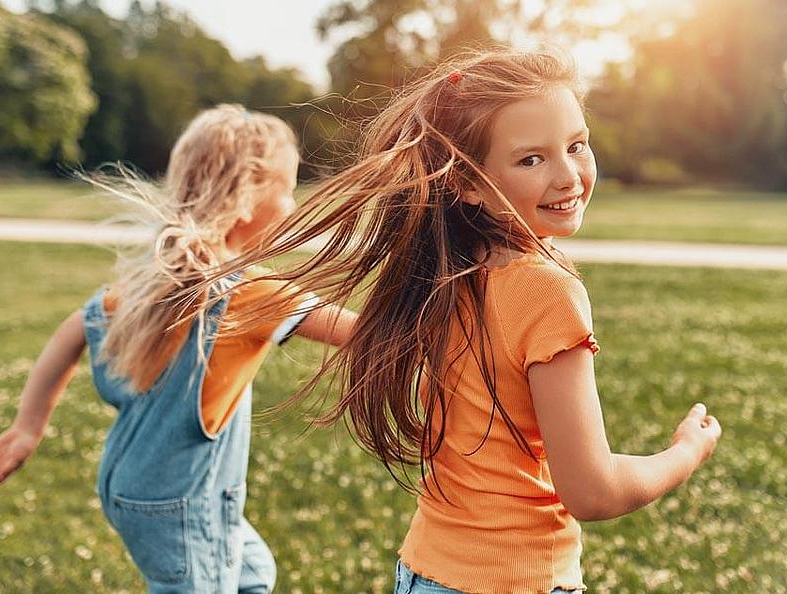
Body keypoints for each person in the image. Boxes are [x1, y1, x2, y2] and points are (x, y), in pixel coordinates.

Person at [191, 50, 723, 594]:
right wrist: (684, 453)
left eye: (576, 145)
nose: (568, 175)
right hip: (517, 580)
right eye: (531, 160)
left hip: (424, 571)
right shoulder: (547, 291)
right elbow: (592, 492)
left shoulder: (444, 272)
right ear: (468, 183)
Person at [0, 104, 355, 593]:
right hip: (182, 504)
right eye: (288, 190)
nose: (294, 207)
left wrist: (28, 428)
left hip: (142, 489)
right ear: (250, 198)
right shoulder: (247, 291)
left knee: (252, 574)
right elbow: (361, 332)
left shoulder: (155, 281)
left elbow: (72, 331)